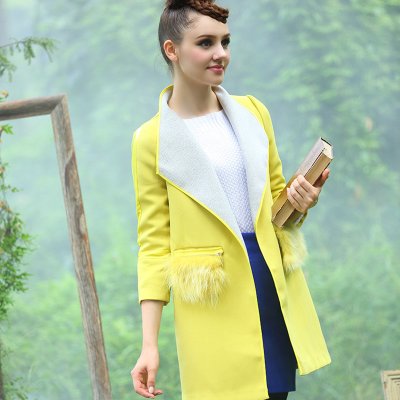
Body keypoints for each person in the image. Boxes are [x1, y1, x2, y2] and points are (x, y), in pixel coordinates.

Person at [130, 1, 331, 399]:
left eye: (225, 42)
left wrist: (301, 201)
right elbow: (153, 246)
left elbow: (278, 212)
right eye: (205, 43)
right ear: (172, 50)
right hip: (212, 306)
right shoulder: (151, 139)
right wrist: (149, 345)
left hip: (269, 281)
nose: (220, 53)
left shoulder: (254, 112)